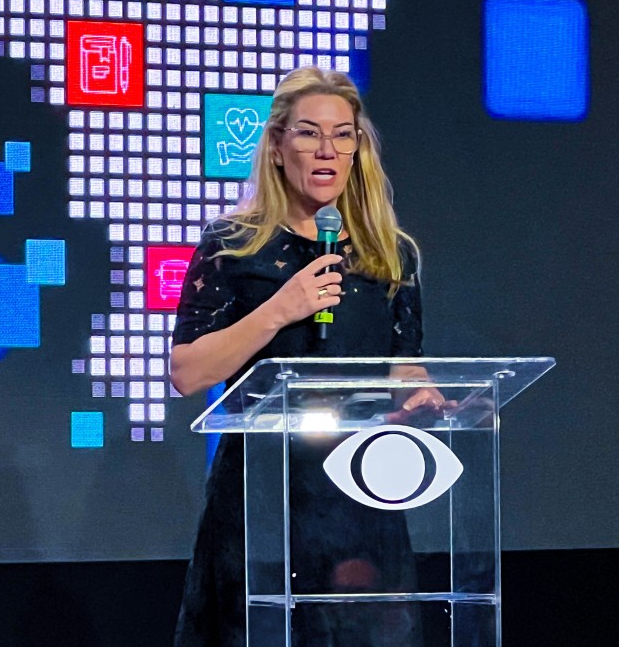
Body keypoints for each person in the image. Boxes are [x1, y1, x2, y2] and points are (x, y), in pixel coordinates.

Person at [171, 66, 443, 647]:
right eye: (308, 133)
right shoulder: (233, 246)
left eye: (343, 135)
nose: (327, 150)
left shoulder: (389, 255)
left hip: (360, 495)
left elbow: (403, 362)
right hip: (262, 498)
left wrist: (419, 393)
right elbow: (188, 372)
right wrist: (280, 309)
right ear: (276, 146)